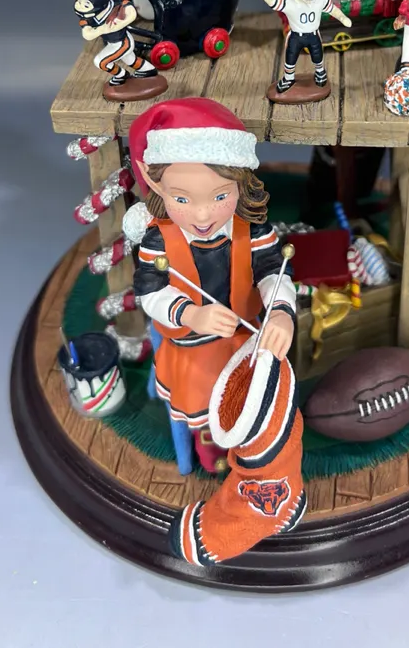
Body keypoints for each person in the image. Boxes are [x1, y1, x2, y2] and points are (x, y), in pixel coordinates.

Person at [128, 98, 306, 563]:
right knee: (205, 400)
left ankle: (264, 482)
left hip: (247, 343)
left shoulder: (252, 228)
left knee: (264, 401)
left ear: (241, 184)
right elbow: (150, 292)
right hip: (193, 348)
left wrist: (281, 312)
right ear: (157, 186)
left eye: (220, 196)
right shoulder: (158, 239)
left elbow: (273, 271)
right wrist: (191, 315)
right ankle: (211, 447)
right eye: (182, 199)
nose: (203, 215)